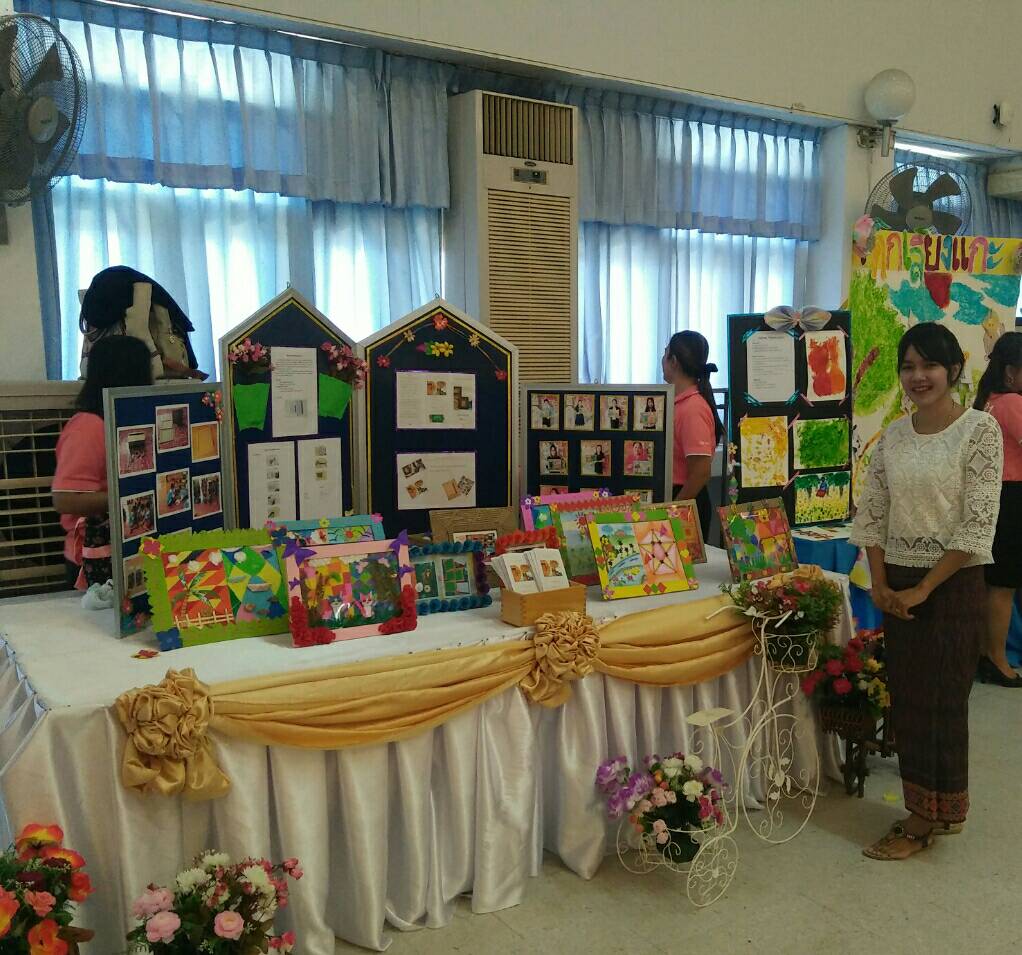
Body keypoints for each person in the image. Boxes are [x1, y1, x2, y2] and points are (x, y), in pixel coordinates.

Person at [850, 323, 1002, 860]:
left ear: (953, 370)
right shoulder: (894, 436)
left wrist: (924, 588)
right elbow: (872, 513)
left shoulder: (980, 430)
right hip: (898, 584)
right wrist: (882, 584)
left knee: (944, 704)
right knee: (909, 701)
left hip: (952, 586)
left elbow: (978, 525)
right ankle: (926, 809)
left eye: (929, 365)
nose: (918, 376)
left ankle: (928, 819)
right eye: (908, 366)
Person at [53, 336, 154, 589]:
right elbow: (65, 499)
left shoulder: (131, 420)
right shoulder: (88, 427)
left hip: (130, 547)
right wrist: (131, 498)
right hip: (94, 559)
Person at [972, 331, 1022, 686]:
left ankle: (984, 654)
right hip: (1012, 497)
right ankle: (997, 659)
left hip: (995, 496)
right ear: (1010, 372)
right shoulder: (1012, 403)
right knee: (1004, 586)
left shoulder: (987, 401)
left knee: (993, 584)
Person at [662, 330, 724, 541]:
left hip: (686, 499)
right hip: (677, 497)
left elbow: (700, 472)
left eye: (665, 353)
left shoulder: (692, 408)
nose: (662, 360)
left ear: (674, 361)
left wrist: (673, 510)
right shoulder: (677, 402)